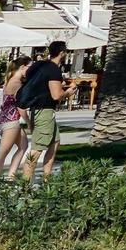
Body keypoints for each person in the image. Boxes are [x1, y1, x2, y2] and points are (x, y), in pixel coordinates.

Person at [19, 40, 78, 181]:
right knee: (37, 149)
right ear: (62, 53)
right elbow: (56, 95)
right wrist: (68, 92)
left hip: (36, 108)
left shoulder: (37, 66)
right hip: (44, 111)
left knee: (55, 143)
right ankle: (25, 185)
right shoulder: (54, 70)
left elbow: (39, 84)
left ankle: (46, 178)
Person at [0, 57, 31, 179]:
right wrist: (29, 123)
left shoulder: (10, 80)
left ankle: (11, 176)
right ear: (23, 67)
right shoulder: (17, 83)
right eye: (29, 67)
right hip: (11, 121)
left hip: (6, 119)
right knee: (3, 151)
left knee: (23, 146)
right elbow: (21, 107)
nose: (30, 69)